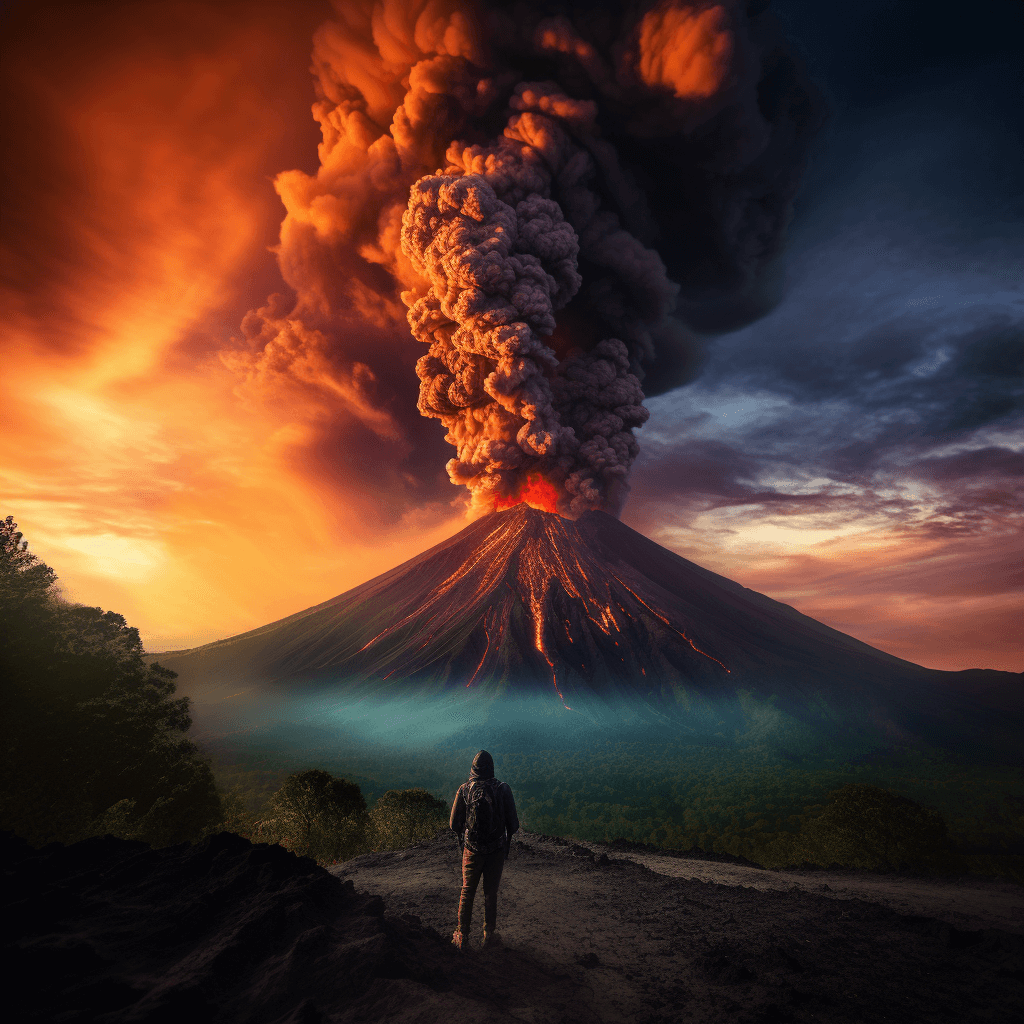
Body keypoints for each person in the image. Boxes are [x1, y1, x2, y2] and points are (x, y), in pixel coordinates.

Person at [449, 749, 519, 951]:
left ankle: (462, 936)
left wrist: (467, 833)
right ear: (491, 768)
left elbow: (454, 824)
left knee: (467, 891)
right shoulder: (503, 789)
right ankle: (489, 936)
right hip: (496, 849)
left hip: (471, 849)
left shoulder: (464, 789)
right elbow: (513, 825)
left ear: (473, 768)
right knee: (491, 893)